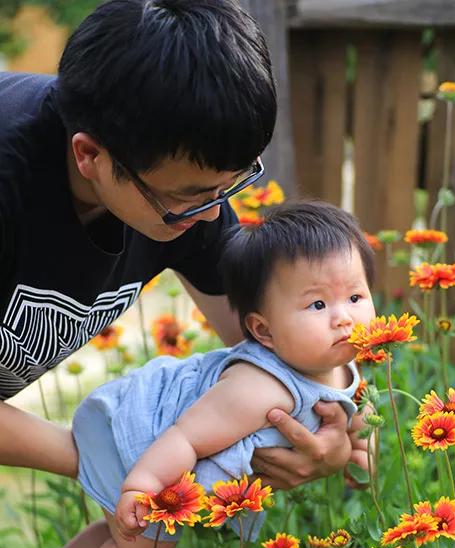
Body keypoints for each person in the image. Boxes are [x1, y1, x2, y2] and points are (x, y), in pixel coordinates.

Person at [0, 0, 367, 492]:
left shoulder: (185, 182)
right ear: (89, 155)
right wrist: (122, 457)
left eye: (228, 187)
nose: (213, 217)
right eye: (187, 197)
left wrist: (328, 416)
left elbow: (270, 339)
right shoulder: (13, 183)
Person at [34, 201, 377, 548]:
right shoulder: (259, 390)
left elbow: (357, 409)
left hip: (169, 446)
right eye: (317, 304)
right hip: (145, 439)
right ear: (263, 330)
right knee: (144, 542)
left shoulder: (338, 361)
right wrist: (142, 486)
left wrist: (360, 453)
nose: (343, 318)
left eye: (355, 297)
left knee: (124, 531)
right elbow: (186, 439)